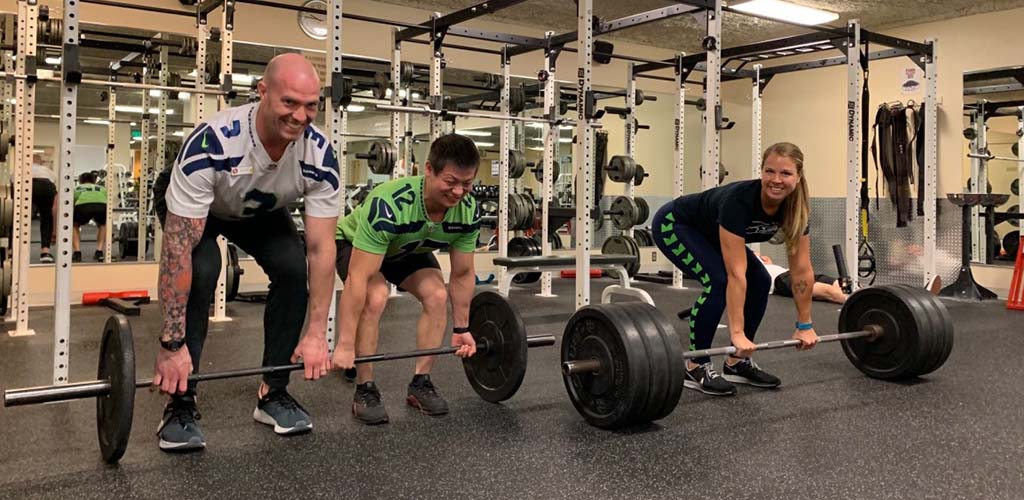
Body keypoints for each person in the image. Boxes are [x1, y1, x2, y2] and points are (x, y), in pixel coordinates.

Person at [151, 53, 339, 451]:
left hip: (258, 207)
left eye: (310, 106)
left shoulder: (319, 155)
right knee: (202, 270)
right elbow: (176, 257)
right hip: (200, 204)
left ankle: (273, 393)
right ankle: (180, 400)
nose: (300, 116)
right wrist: (170, 345)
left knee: (292, 268)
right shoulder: (212, 143)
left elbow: (322, 250)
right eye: (289, 102)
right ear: (262, 92)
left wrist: (317, 334)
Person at [331, 133, 481, 425]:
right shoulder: (389, 205)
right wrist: (346, 343)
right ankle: (365, 388)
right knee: (375, 296)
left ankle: (421, 383)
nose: (458, 192)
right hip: (354, 244)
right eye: (450, 182)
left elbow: (462, 273)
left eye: (467, 183)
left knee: (437, 295)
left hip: (408, 246)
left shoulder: (467, 210)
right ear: (428, 169)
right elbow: (358, 279)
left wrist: (463, 326)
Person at [653, 142, 819, 397]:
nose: (776, 180)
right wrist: (737, 332)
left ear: (798, 177)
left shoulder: (796, 210)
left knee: (762, 281)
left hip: (713, 233)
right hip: (677, 225)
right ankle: (696, 364)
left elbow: (802, 270)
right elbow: (736, 274)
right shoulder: (739, 201)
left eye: (785, 173)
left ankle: (737, 362)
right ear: (761, 171)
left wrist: (805, 324)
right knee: (718, 281)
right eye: (769, 171)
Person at [71, 171, 108, 262]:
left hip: (83, 206)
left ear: (80, 181)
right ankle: (99, 251)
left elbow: (71, 202)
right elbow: (107, 200)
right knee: (103, 225)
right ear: (94, 181)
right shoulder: (102, 188)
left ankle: (77, 253)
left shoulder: (77, 188)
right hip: (101, 206)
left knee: (74, 225)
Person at [30, 154, 57, 263]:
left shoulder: (21, 167)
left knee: (17, 218)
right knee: (46, 217)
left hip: (27, 184)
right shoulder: (46, 170)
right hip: (46, 186)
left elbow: (12, 181)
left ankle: (15, 251)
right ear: (40, 162)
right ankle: (45, 252)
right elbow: (54, 181)